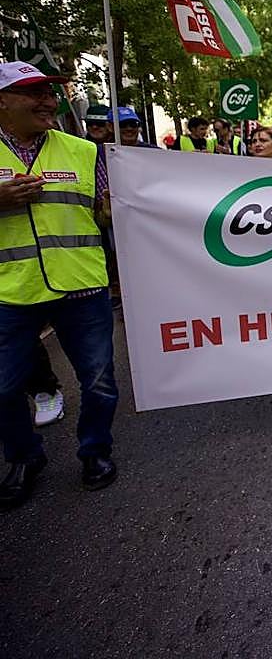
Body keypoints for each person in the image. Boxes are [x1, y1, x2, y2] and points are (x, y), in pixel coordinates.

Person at [0, 62, 119, 509]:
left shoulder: (85, 151)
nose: (47, 101)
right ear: (2, 102)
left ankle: (95, 451)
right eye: (32, 93)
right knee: (3, 389)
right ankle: (26, 457)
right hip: (10, 292)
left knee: (100, 380)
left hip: (82, 287)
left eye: (49, 92)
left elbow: (105, 214)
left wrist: (118, 206)